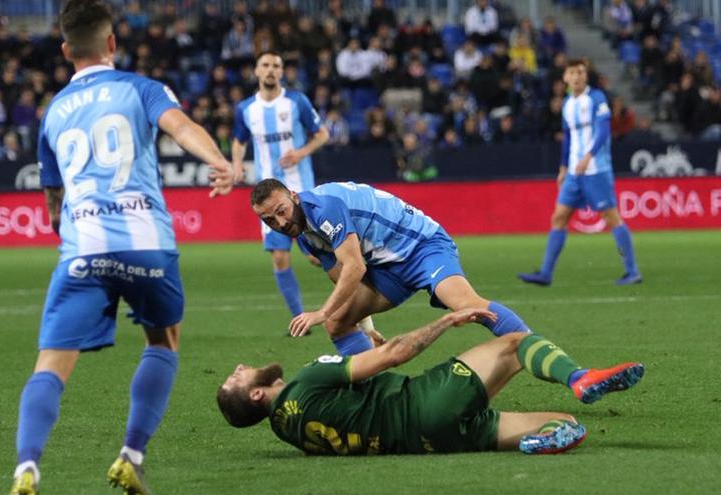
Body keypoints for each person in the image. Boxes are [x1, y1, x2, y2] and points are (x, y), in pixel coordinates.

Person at [9, 1, 234, 494]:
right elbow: (182, 128)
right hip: (148, 244)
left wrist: (66, 224)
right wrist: (220, 162)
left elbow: (52, 202)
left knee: (50, 364)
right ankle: (131, 455)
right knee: (163, 341)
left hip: (83, 249)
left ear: (67, 50)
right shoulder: (142, 89)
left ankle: (26, 469)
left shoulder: (53, 114)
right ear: (112, 43)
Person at [217, 308, 644, 455]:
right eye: (237, 378)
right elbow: (396, 355)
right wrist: (446, 321)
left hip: (428, 440)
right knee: (515, 345)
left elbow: (347, 402)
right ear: (257, 394)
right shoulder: (304, 381)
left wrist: (366, 347)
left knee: (565, 422)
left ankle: (548, 436)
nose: (239, 365)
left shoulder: (288, 431)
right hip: (424, 402)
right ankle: (580, 377)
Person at [250, 179, 533, 358]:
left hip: (421, 246)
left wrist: (321, 313)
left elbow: (355, 267)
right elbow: (344, 280)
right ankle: (374, 399)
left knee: (466, 305)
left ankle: (554, 361)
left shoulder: (323, 209)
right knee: (338, 324)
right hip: (387, 268)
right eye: (269, 220)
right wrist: (367, 328)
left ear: (294, 196)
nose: (280, 223)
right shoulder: (306, 235)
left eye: (281, 210)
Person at [518, 59, 641, 287]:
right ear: (565, 78)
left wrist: (588, 156)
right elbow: (568, 139)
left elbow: (604, 131)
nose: (577, 76)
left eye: (581, 72)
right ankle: (545, 273)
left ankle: (632, 270)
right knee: (559, 217)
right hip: (574, 173)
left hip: (596, 169)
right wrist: (563, 168)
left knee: (611, 218)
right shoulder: (567, 104)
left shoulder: (597, 99)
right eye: (572, 72)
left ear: (586, 76)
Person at [231, 51, 331, 327]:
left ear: (282, 71)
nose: (271, 70)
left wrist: (301, 153)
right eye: (265, 65)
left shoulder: (296, 101)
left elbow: (322, 134)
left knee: (315, 255)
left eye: (276, 65)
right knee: (279, 257)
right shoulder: (246, 109)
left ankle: (353, 293)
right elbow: (239, 140)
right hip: (267, 194)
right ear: (256, 71)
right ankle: (299, 318)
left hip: (299, 191)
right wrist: (237, 163)